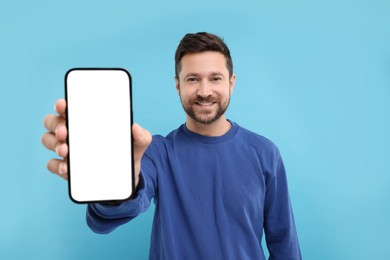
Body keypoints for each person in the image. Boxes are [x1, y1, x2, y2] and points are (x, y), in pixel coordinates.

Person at [42, 32, 302, 260]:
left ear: (231, 82)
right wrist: (115, 180)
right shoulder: (156, 152)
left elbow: (285, 245)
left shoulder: (265, 153)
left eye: (215, 78)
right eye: (192, 79)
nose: (204, 91)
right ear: (177, 85)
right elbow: (107, 220)